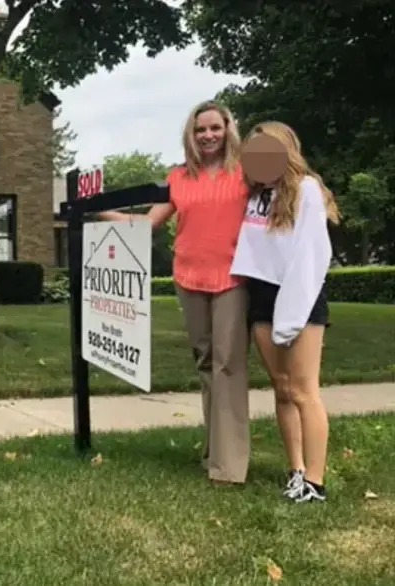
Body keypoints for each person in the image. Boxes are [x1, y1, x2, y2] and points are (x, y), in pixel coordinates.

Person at [96, 100, 252, 486]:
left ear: (228, 129)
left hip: (235, 278)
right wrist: (98, 210)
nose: (208, 135)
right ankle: (215, 449)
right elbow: (148, 222)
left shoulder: (246, 173)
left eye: (215, 128)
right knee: (205, 362)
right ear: (191, 134)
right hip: (189, 278)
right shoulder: (179, 178)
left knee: (228, 365)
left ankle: (229, 466)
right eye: (201, 130)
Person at [230, 121, 341, 503]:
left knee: (304, 390)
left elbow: (312, 256)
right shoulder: (255, 194)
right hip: (261, 294)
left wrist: (291, 315)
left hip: (300, 295)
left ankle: (315, 481)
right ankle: (295, 470)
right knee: (281, 387)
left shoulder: (307, 190)